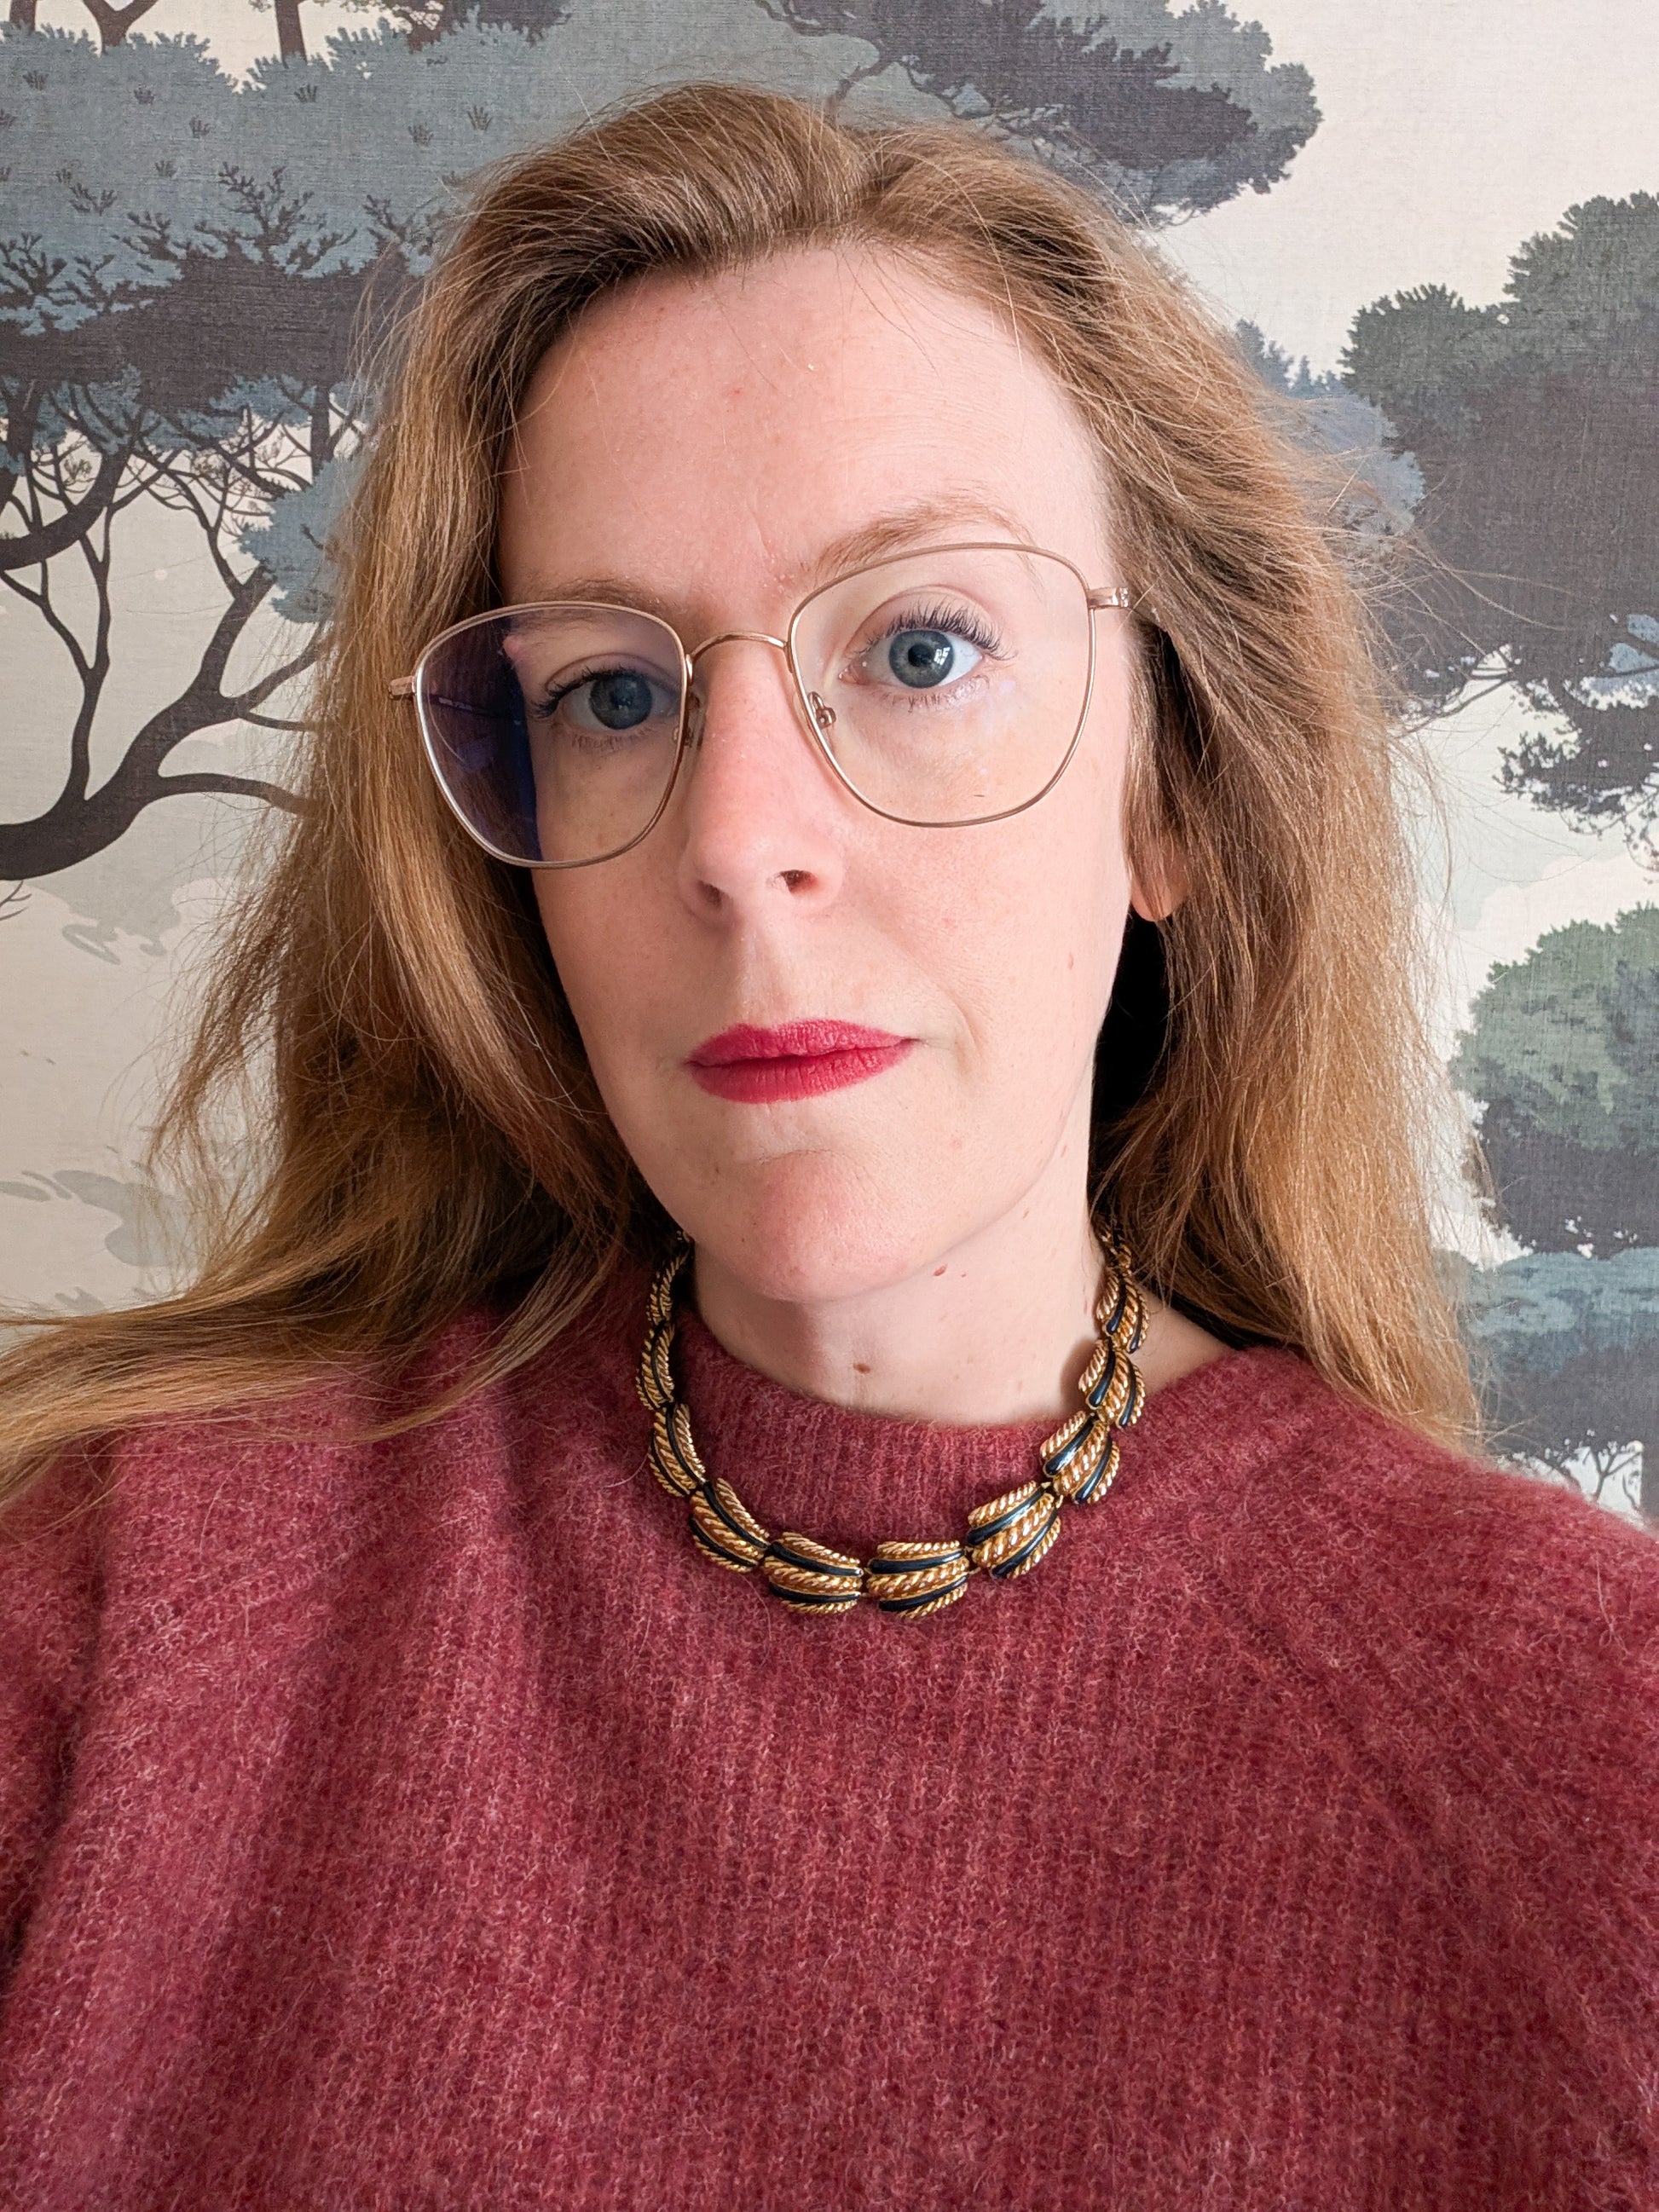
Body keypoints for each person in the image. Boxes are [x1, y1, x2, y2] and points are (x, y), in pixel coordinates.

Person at [0, 79, 1653, 2212]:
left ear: (1167, 793)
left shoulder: (1578, 1753)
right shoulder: (117, 1598)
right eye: (611, 694)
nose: (736, 839)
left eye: (921, 648)